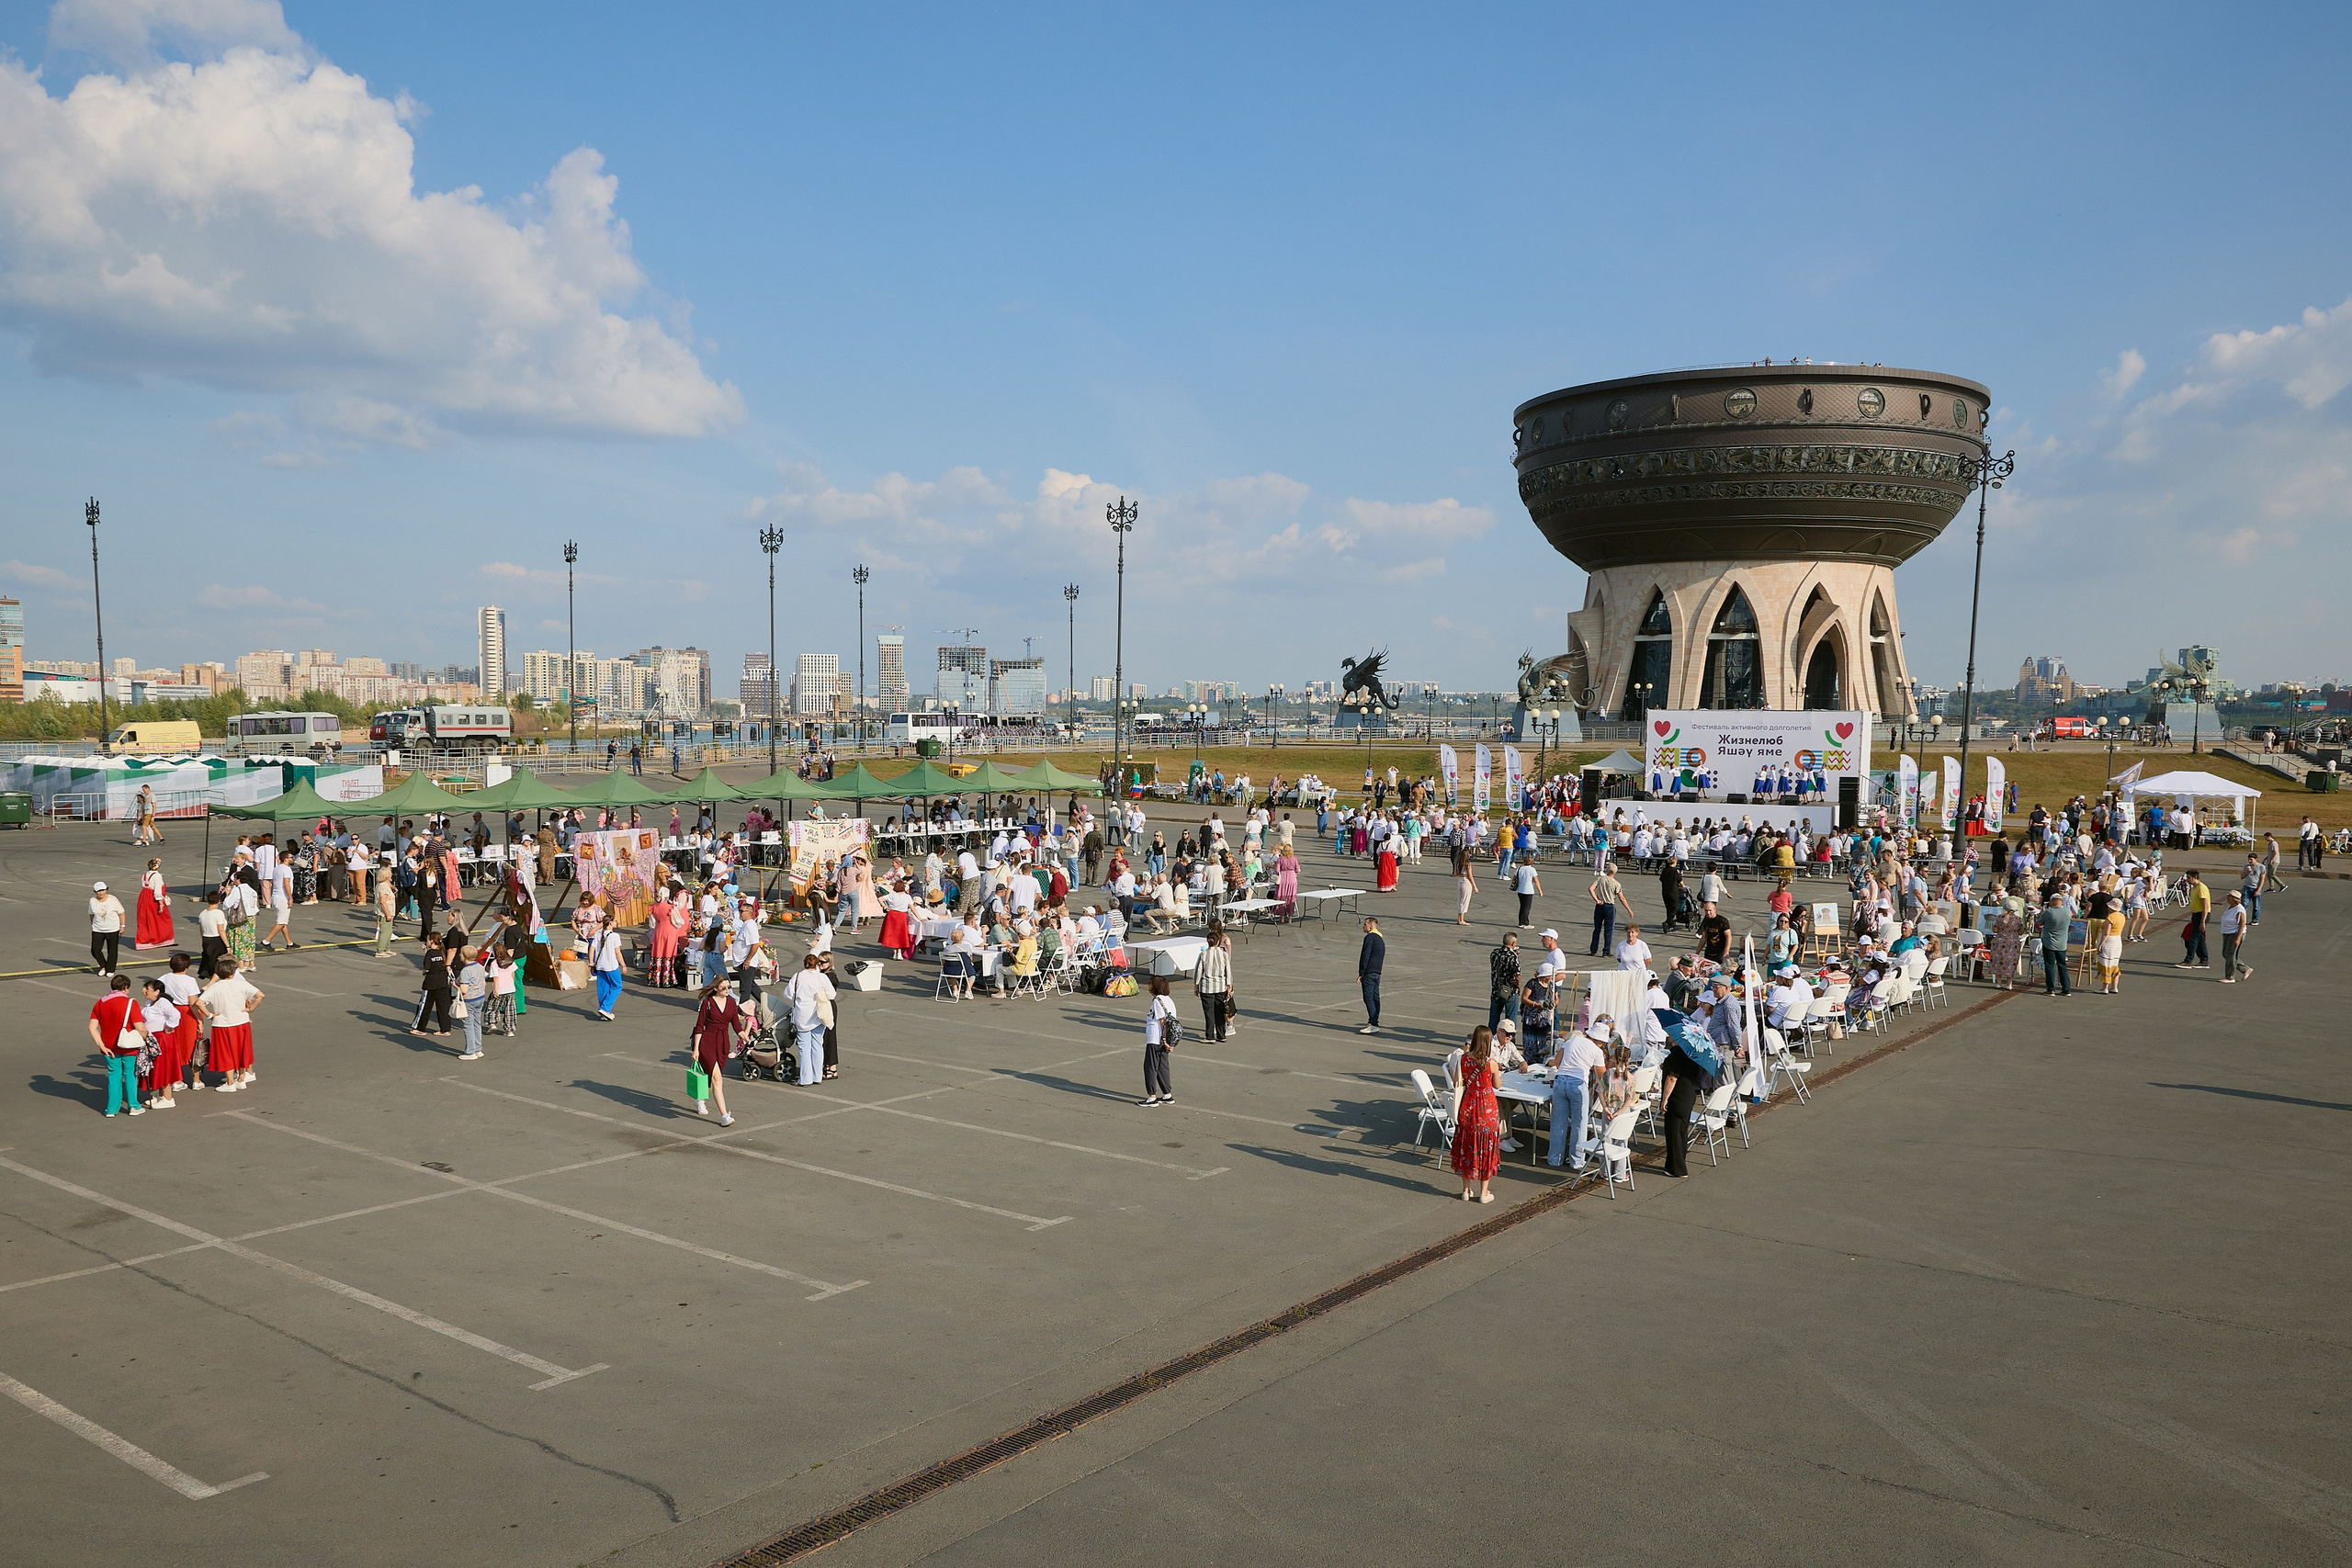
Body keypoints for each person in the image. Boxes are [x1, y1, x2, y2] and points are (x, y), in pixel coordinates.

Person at [1449, 1026, 1502, 1202]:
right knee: (1486, 1148)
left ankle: (1466, 1190)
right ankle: (1484, 1193)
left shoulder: (1463, 1059)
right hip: (1487, 1108)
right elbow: (1497, 1085)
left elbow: (1458, 1082)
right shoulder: (1491, 1063)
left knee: (1467, 1146)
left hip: (1468, 1106)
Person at [1546, 1017, 1607, 1170]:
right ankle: (1577, 1161)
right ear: (1600, 1041)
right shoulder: (1597, 1051)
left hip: (1560, 1081)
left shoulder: (1572, 1040)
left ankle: (1554, 1158)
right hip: (1578, 1084)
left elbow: (1557, 1062)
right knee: (1579, 1125)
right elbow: (1602, 1077)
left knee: (1558, 1123)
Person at [196, 957, 263, 1093]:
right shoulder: (241, 984)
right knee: (241, 1050)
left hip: (222, 1024)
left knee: (225, 1052)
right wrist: (250, 1009)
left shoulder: (215, 987)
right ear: (233, 972)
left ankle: (230, 1082)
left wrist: (209, 1015)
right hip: (241, 1022)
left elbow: (199, 1002)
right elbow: (260, 995)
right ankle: (241, 1079)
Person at [88, 974, 148, 1117]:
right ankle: (133, 1105)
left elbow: (92, 1027)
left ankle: (112, 1109)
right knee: (130, 1075)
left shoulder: (100, 1003)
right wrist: (146, 1040)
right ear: (125, 988)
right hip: (128, 1046)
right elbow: (140, 1027)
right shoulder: (130, 1003)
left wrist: (101, 1046)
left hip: (109, 1046)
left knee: (114, 1076)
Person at [689, 976, 748, 1122]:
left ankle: (700, 1099)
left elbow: (736, 1025)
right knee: (717, 1079)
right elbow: (699, 1027)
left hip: (723, 1043)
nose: (727, 990)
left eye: (729, 987)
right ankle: (724, 1116)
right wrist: (696, 1049)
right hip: (707, 1043)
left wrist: (745, 1037)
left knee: (710, 1078)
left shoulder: (731, 1003)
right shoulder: (707, 1003)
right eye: (724, 987)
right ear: (716, 988)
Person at [783, 953, 835, 1086]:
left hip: (802, 1017)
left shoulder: (798, 976)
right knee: (818, 1046)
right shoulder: (821, 978)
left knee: (804, 1048)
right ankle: (817, 1076)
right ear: (817, 964)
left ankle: (805, 1078)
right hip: (818, 1015)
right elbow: (832, 994)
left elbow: (788, 994)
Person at [1140, 973, 1179, 1106]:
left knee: (1151, 1066)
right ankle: (1167, 1094)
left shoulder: (1157, 1001)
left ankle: (1152, 1097)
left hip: (1156, 1039)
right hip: (1163, 1039)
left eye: (1150, 984)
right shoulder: (1169, 1000)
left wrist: (1164, 1041)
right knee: (1163, 1066)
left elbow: (1163, 1021)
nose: (1148, 986)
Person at [1193, 922, 1235, 1042]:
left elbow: (1198, 971)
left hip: (1207, 987)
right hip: (1221, 986)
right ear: (1217, 942)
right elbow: (1228, 971)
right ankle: (1222, 1035)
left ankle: (1210, 1036)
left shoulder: (1203, 954)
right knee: (1220, 1011)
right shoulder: (1224, 954)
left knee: (1209, 1012)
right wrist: (1229, 984)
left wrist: (1196, 985)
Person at [454, 945, 489, 1058]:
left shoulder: (465, 971)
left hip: (469, 1000)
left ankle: (470, 1052)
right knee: (476, 1023)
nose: (459, 955)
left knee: (468, 1025)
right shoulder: (480, 966)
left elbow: (464, 990)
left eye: (461, 954)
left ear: (464, 957)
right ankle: (478, 1049)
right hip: (480, 997)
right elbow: (483, 983)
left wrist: (454, 985)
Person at [1588, 864, 1630, 955]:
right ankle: (1606, 951)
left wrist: (1597, 900)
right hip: (1609, 906)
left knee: (1597, 929)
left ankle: (1593, 950)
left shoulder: (1600, 879)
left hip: (1600, 905)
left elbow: (1591, 888)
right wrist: (1629, 909)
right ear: (1615, 872)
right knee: (1609, 930)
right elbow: (1622, 898)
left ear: (1607, 870)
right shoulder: (1616, 884)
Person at [132, 860, 175, 951]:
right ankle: (162, 939)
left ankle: (145, 940)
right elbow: (157, 891)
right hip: (152, 899)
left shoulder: (145, 875)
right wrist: (161, 904)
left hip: (144, 897)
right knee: (162, 919)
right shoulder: (157, 876)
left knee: (145, 919)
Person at [87, 880, 126, 976]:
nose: (101, 893)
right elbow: (91, 914)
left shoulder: (113, 900)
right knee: (95, 949)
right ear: (95, 892)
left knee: (112, 950)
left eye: (103, 890)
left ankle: (110, 969)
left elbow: (121, 913)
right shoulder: (92, 901)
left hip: (112, 929)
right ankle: (103, 966)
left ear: (106, 890)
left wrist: (122, 926)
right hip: (98, 929)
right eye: (98, 891)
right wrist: (93, 924)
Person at [1487, 932, 1522, 1034]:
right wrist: (1518, 985)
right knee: (1510, 1019)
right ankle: (1510, 1042)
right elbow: (1517, 974)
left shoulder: (1494, 953)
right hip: (1509, 991)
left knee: (1494, 1019)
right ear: (1513, 943)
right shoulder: (1512, 956)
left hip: (1496, 990)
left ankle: (1491, 1041)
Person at [2038, 895, 2073, 997]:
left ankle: (2051, 989)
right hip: (2062, 944)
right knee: (2062, 966)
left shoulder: (2048, 912)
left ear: (2052, 902)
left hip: (2049, 943)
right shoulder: (2068, 912)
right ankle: (2066, 989)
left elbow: (2039, 923)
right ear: (2061, 902)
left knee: (2050, 965)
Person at [589, 922, 625, 1021]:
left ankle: (605, 1012)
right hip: (611, 966)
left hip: (600, 965)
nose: (617, 922)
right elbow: (617, 952)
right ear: (610, 923)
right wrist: (623, 965)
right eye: (615, 921)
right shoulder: (615, 936)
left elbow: (592, 949)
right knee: (617, 986)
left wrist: (591, 963)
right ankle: (605, 1008)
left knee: (603, 988)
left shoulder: (598, 934)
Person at [2216, 890, 2254, 984]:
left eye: (2229, 896)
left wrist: (2238, 938)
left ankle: (2230, 977)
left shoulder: (2239, 909)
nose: (2227, 898)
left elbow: (2242, 924)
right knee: (2225, 953)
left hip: (2235, 934)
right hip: (2227, 933)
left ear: (2234, 899)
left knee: (2230, 955)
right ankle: (2245, 969)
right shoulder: (2230, 907)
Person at [1357, 916, 1385, 1035]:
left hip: (1369, 972)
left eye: (1365, 924)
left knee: (1368, 997)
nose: (1363, 926)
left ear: (1371, 926)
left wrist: (1361, 973)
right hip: (1377, 972)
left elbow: (1365, 955)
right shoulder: (1380, 939)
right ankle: (1374, 1022)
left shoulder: (1370, 938)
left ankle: (1373, 1023)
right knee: (1375, 997)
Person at [2177, 870, 2211, 969]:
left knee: (2193, 938)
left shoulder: (2201, 888)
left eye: (2189, 878)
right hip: (2196, 915)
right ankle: (2204, 960)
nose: (2187, 880)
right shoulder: (2194, 888)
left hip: (2201, 915)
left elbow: (2205, 906)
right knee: (2200, 939)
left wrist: (2202, 921)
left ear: (2195, 878)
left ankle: (2188, 961)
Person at [1453, 839, 1477, 926]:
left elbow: (1455, 874)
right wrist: (1475, 886)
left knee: (1460, 900)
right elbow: (1470, 876)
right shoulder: (1467, 863)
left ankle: (1459, 918)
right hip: (1466, 881)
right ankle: (1461, 920)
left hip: (1459, 880)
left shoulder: (1458, 862)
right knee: (1465, 900)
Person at [1512, 857, 1542, 928]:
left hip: (1520, 890)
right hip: (1528, 890)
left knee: (1522, 906)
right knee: (1527, 907)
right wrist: (1540, 891)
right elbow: (1536, 881)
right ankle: (1526, 923)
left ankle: (1520, 922)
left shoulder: (1520, 868)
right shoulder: (1532, 870)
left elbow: (1514, 878)